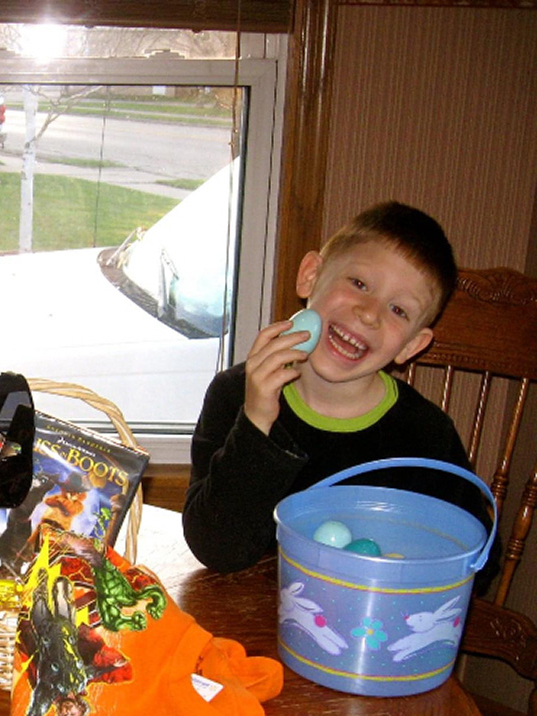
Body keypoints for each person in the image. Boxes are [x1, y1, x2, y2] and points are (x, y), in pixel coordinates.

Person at [182, 201, 493, 574]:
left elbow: (477, 562)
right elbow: (216, 550)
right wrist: (256, 423)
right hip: (251, 618)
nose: (369, 313)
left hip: (372, 620)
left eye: (399, 310)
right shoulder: (235, 395)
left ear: (411, 346)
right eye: (359, 283)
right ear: (311, 276)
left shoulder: (426, 436)